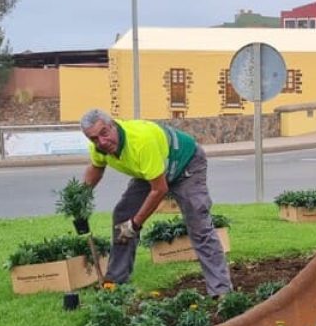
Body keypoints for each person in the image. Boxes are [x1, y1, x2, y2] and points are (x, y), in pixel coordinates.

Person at [79, 109, 233, 296]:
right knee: (123, 216)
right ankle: (116, 283)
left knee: (198, 223)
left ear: (113, 124)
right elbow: (96, 168)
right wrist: (80, 198)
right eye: (94, 138)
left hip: (186, 164)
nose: (102, 142)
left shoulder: (141, 142)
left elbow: (159, 190)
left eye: (104, 133)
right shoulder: (99, 148)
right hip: (153, 170)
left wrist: (134, 225)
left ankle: (221, 291)